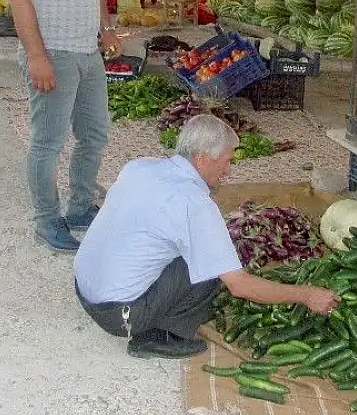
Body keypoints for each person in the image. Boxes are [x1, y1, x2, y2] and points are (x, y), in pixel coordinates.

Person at [74, 115, 341, 359]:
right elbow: (239, 286)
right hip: (121, 315)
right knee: (211, 269)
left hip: (84, 289)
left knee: (191, 250)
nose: (229, 170)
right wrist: (306, 295)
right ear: (202, 158)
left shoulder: (139, 166)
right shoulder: (195, 204)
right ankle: (157, 336)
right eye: (227, 160)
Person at [4, 0, 123, 252]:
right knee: (48, 142)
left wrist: (105, 27)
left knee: (95, 133)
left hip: (87, 52)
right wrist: (37, 57)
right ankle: (47, 220)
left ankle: (79, 206)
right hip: (52, 53)